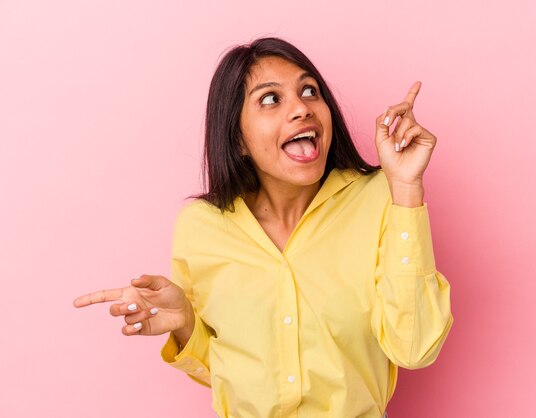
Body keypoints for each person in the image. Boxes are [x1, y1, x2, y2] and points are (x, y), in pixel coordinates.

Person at [74, 37, 453, 418]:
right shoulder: (201, 227)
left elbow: (415, 347)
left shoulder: (381, 198)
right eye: (271, 99)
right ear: (238, 138)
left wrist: (405, 189)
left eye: (309, 91)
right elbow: (231, 374)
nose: (301, 109)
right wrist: (188, 325)